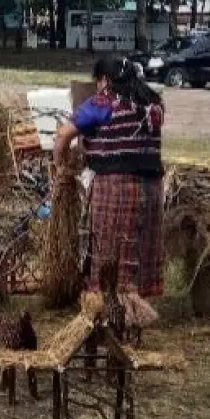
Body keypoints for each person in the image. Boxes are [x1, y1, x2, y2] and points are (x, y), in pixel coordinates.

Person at [53, 56, 165, 304]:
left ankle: (113, 300)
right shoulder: (152, 102)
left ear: (104, 80)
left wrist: (60, 166)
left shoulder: (103, 103)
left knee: (110, 244)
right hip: (152, 187)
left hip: (116, 187)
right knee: (141, 242)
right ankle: (139, 297)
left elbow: (63, 135)